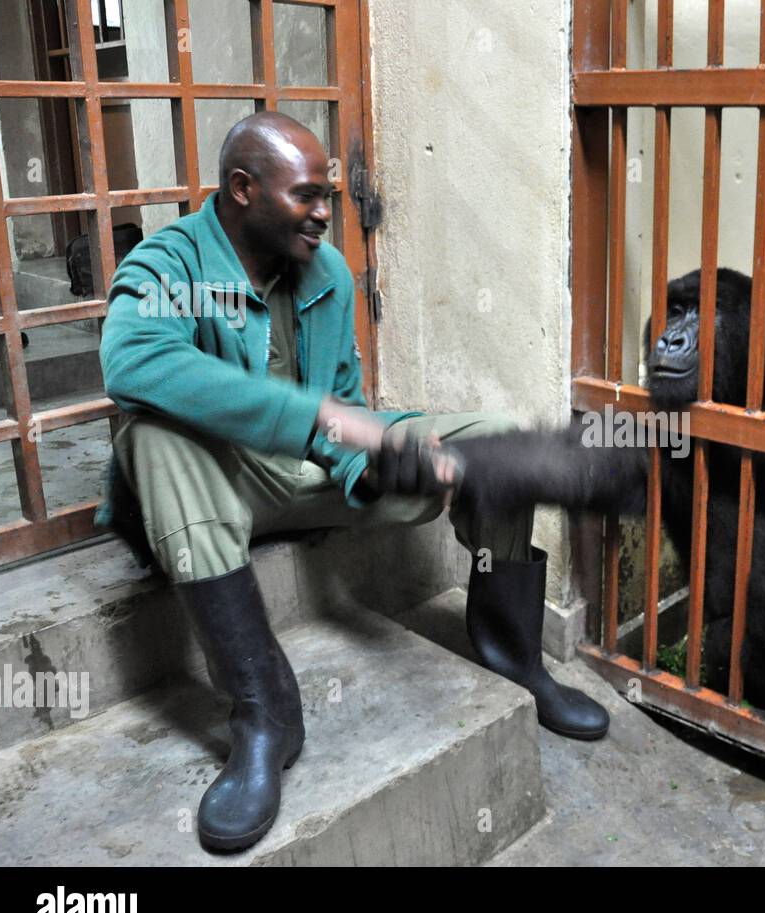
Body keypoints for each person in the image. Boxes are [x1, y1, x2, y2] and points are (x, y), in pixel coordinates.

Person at [95, 111, 608, 853]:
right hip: (214, 493)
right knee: (152, 434)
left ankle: (515, 657)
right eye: (306, 195)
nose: (326, 212)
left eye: (328, 193)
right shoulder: (174, 265)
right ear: (243, 189)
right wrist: (329, 425)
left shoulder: (324, 272)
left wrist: (373, 459)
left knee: (493, 435)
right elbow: (132, 362)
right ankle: (266, 716)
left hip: (305, 477)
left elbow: (346, 401)